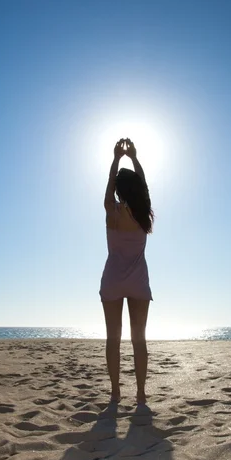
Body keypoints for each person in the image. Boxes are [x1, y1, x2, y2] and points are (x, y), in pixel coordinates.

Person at [99, 138, 154, 404]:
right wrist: (134, 157)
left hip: (112, 280)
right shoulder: (143, 213)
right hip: (138, 283)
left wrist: (116, 159)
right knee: (139, 339)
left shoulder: (113, 211)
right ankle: (141, 393)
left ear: (119, 189)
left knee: (113, 337)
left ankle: (115, 392)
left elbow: (110, 189)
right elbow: (143, 187)